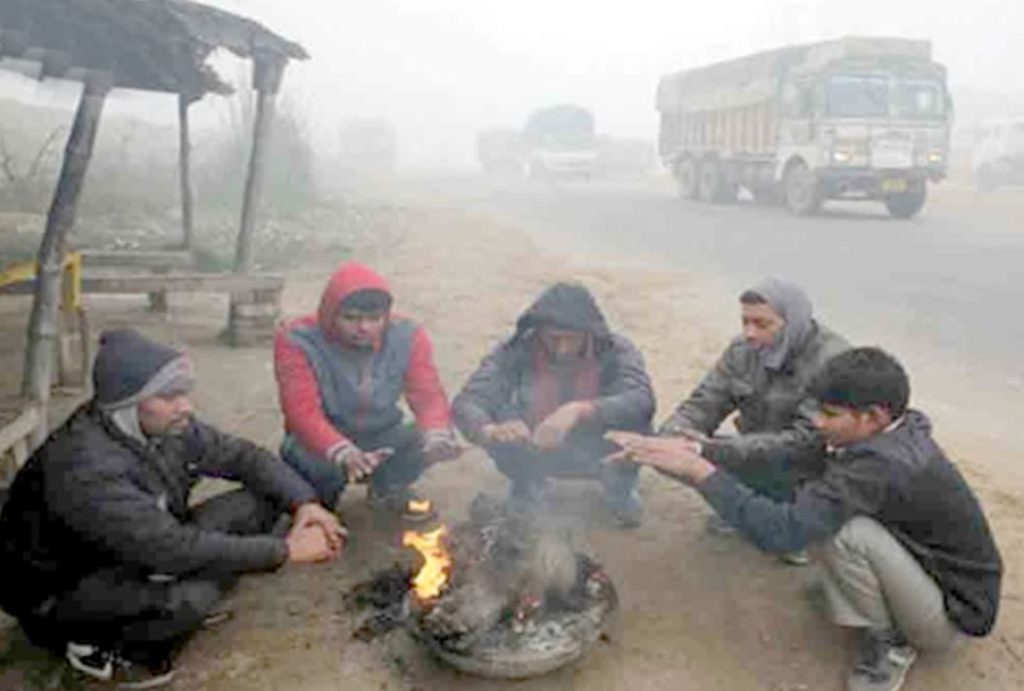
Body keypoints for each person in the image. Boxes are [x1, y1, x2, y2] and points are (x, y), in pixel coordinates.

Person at [609, 347, 1002, 691]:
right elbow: (788, 451)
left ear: (874, 416)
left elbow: (783, 532)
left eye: (830, 414)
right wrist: (700, 448)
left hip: (953, 614)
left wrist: (700, 473)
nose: (818, 422)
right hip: (927, 571)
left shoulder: (882, 464)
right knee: (822, 507)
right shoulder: (885, 433)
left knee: (841, 532)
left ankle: (891, 644)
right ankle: (867, 594)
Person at [0, 329, 345, 688]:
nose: (187, 406)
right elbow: (171, 550)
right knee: (193, 598)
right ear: (128, 404)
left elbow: (242, 456)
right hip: (61, 589)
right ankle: (96, 647)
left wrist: (305, 503)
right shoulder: (87, 467)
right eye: (169, 396)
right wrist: (286, 551)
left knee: (262, 502)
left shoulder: (166, 428)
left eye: (184, 393)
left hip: (139, 546)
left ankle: (165, 602)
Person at [659, 278, 848, 560]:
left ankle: (793, 529)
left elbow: (806, 441)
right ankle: (742, 511)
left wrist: (707, 450)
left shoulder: (832, 360)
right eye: (744, 322)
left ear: (791, 322)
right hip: (752, 451)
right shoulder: (742, 351)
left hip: (807, 467)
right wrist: (674, 434)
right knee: (666, 451)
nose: (749, 333)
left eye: (761, 324)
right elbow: (704, 402)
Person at [452, 282, 655, 528]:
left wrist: (579, 410)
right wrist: (490, 430)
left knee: (637, 422)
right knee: (500, 426)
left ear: (588, 333)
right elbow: (469, 401)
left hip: (599, 443)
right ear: (538, 331)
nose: (562, 348)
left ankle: (619, 489)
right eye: (553, 338)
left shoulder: (616, 350)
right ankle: (527, 485)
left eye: (571, 339)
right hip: (535, 442)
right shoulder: (515, 349)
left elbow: (641, 399)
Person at [274, 261, 462, 521]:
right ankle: (317, 506)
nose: (364, 328)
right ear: (330, 314)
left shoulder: (407, 335)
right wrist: (342, 451)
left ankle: (389, 487)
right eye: (350, 318)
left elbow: (427, 395)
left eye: (374, 319)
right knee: (315, 465)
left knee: (426, 435)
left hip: (381, 431)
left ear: (386, 316)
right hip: (321, 437)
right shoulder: (298, 339)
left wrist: (437, 436)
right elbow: (301, 412)